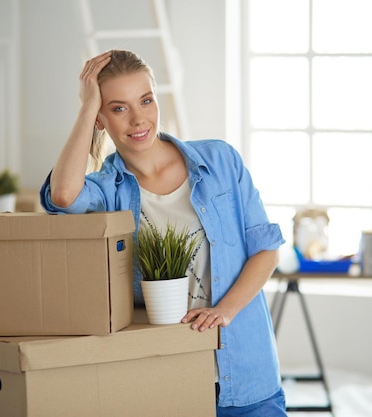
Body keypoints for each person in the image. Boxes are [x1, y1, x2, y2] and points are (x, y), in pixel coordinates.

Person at [40, 49, 287, 416]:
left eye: (146, 100)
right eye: (118, 108)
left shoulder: (220, 161)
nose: (139, 119)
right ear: (100, 118)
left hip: (247, 373)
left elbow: (266, 250)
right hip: (165, 377)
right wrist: (86, 105)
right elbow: (63, 196)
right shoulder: (108, 189)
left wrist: (224, 312)